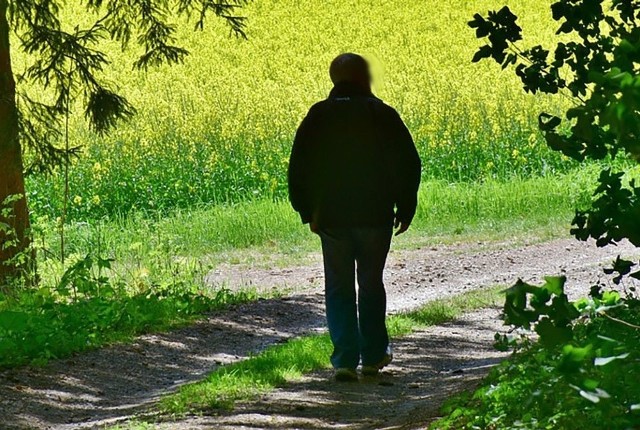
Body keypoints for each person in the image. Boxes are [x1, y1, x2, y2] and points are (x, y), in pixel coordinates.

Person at [288, 53, 421, 382]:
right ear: (365, 78)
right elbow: (408, 164)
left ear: (335, 79)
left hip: (331, 217)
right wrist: (405, 208)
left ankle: (344, 360)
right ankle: (374, 356)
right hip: (375, 216)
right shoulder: (382, 114)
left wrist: (308, 212)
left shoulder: (319, 115)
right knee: (371, 284)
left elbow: (300, 167)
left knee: (338, 286)